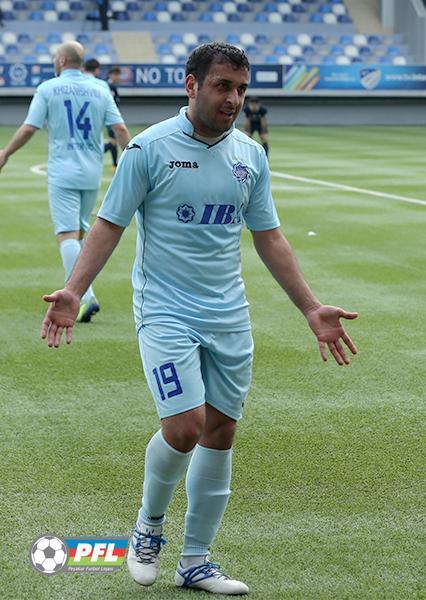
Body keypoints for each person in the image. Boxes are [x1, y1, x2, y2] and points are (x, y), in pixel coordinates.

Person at [39, 42, 359, 595]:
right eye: (222, 86)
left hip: (228, 313)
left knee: (221, 430)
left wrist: (311, 307)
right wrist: (74, 289)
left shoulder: (249, 155)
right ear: (191, 85)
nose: (234, 99)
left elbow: (269, 237)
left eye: (241, 88)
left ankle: (196, 561)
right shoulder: (149, 148)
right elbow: (110, 223)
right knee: (185, 426)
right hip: (164, 309)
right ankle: (148, 527)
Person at [0, 41, 130, 323]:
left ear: (61, 61)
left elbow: (30, 127)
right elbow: (119, 128)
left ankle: (84, 296)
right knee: (79, 233)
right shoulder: (100, 88)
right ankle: (83, 292)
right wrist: (133, 160)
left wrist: (6, 153)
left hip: (62, 170)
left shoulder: (48, 88)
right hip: (91, 171)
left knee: (67, 235)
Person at [83, 58, 122, 169]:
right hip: (109, 117)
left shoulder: (109, 85)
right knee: (113, 142)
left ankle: (114, 164)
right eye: (116, 75)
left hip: (107, 117)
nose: (118, 77)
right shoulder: (106, 85)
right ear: (111, 74)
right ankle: (94, 155)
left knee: (114, 141)